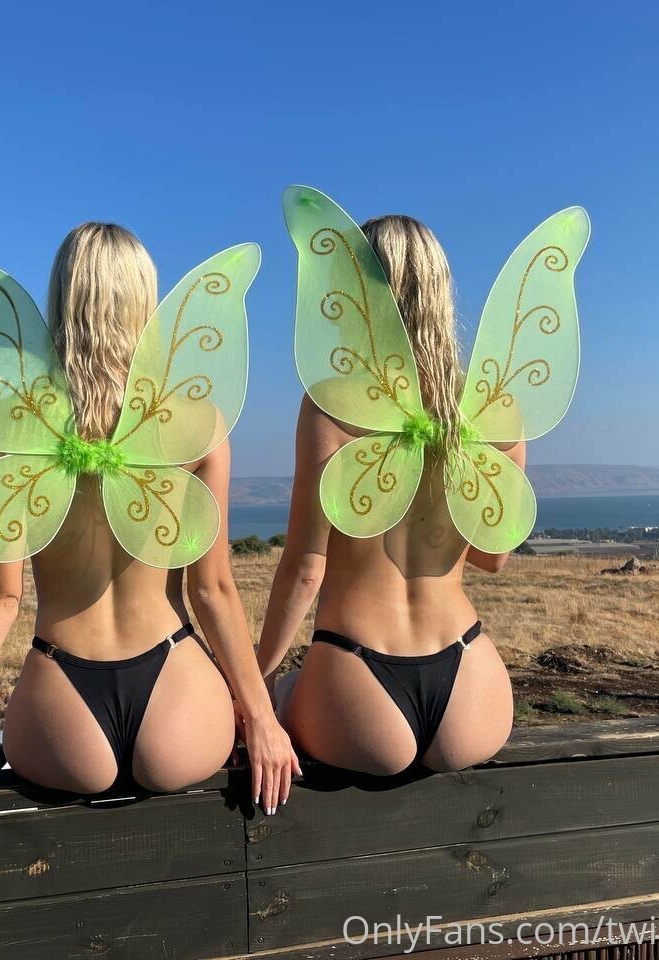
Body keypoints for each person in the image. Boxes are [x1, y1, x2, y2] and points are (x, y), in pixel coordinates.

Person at [0, 223, 298, 846]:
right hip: (177, 693)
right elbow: (212, 589)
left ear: (59, 298)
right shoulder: (196, 423)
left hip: (63, 706)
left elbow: (0, 597)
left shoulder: (13, 424)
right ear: (146, 299)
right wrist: (261, 717)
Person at [258, 206, 517, 777]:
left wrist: (258, 688)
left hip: (358, 680)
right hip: (470, 677)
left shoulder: (333, 404)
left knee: (287, 692)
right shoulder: (491, 408)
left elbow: (306, 570)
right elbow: (493, 556)